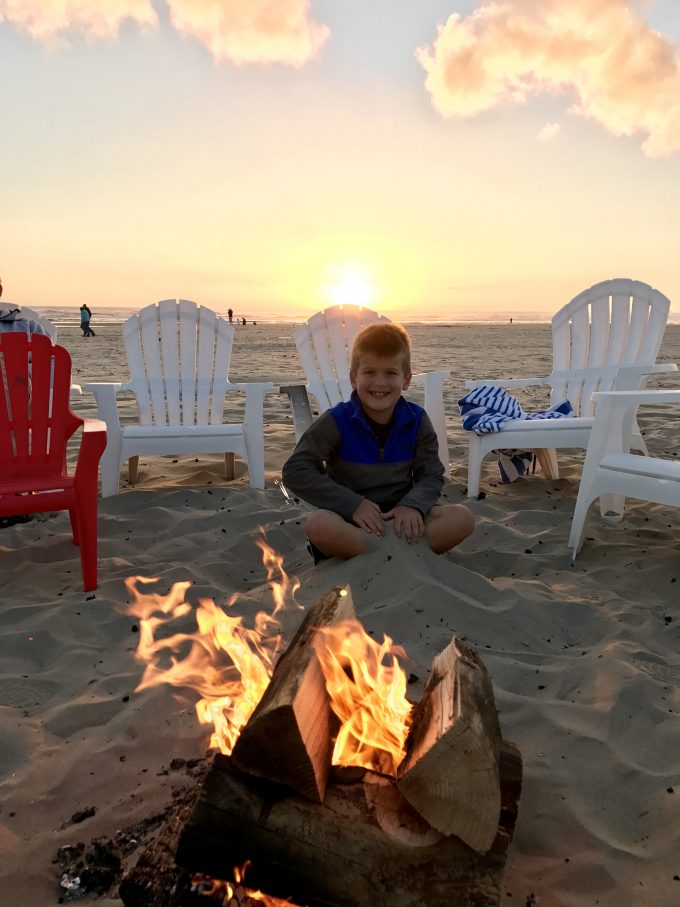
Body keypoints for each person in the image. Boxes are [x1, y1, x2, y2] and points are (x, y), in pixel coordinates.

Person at [282, 322, 474, 562]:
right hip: (350, 522)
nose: (380, 383)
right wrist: (353, 504)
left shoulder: (417, 421)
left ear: (406, 379)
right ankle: (386, 554)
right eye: (369, 372)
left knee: (462, 518)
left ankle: (382, 553)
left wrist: (412, 506)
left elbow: (432, 475)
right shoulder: (337, 421)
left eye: (390, 373)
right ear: (354, 378)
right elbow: (295, 470)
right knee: (317, 524)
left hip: (402, 522)